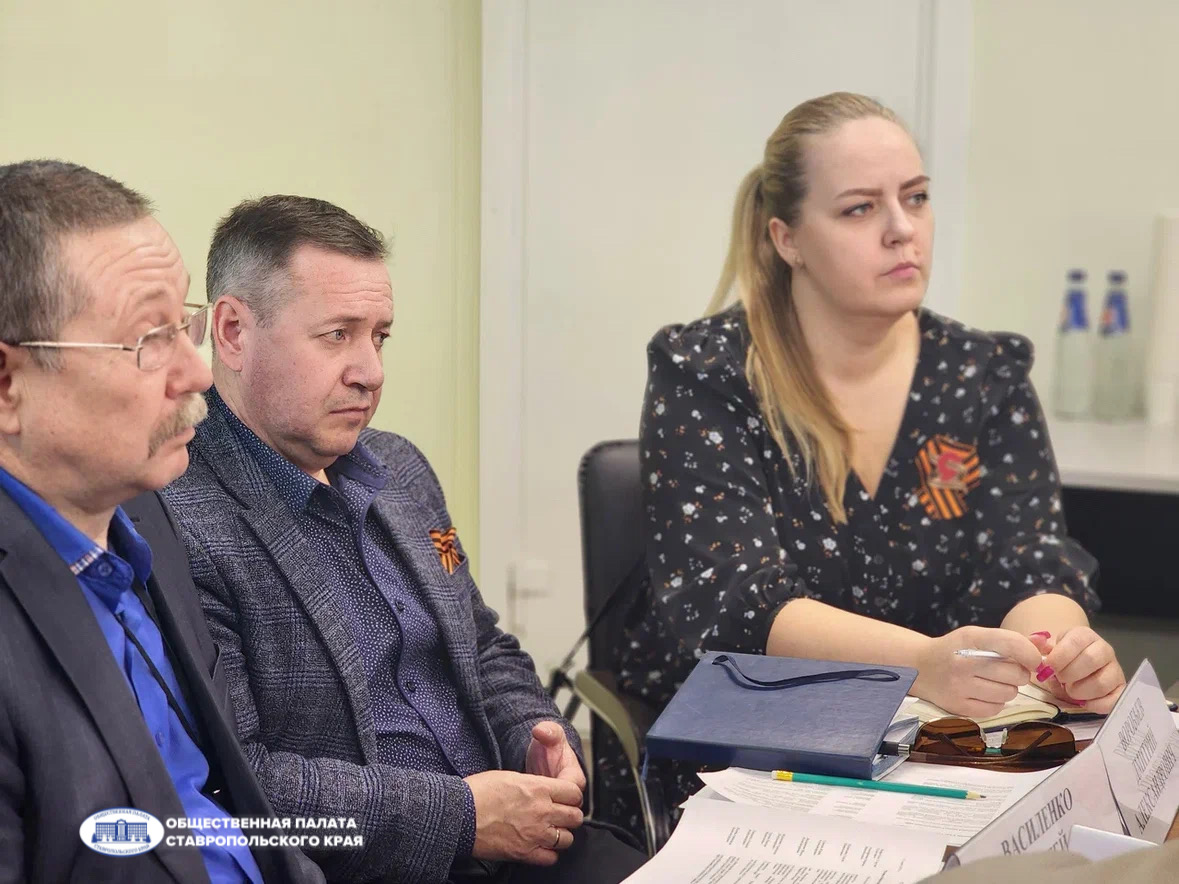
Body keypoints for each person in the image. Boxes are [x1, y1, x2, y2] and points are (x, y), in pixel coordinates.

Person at [606, 92, 1128, 826]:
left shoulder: (982, 374)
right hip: (748, 751)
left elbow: (1028, 560)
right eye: (859, 209)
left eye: (915, 198)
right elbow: (736, 602)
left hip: (942, 751)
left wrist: (1060, 652)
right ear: (787, 239)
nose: (901, 229)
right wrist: (923, 664)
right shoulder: (708, 371)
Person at [162, 195, 646, 884]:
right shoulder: (177, 517)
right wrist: (462, 817)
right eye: (337, 335)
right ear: (233, 332)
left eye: (380, 337)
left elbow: (481, 645)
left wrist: (541, 740)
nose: (371, 370)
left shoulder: (401, 468)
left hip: (519, 842)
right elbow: (241, 784)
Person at [0, 161, 324, 883]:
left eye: (185, 325)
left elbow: (227, 800)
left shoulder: (144, 512)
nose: (198, 372)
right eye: (150, 339)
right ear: (7, 385)